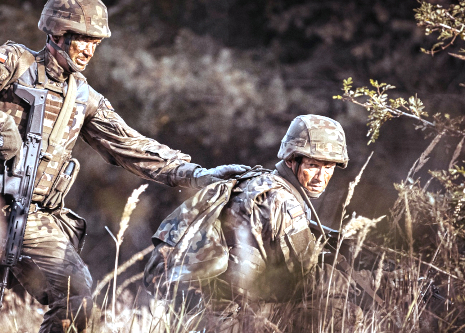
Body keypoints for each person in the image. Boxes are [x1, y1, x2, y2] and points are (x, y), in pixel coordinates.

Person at [0, 0, 247, 333]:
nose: (90, 50)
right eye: (83, 39)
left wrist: (196, 173)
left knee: (77, 297)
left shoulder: (83, 98)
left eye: (96, 42)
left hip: (34, 216)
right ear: (57, 34)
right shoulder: (9, 64)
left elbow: (132, 146)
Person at [144, 114, 348, 313]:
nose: (321, 176)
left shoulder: (254, 181)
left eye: (328, 167)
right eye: (313, 166)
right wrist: (360, 278)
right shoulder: (284, 201)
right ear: (290, 160)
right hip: (232, 322)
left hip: (197, 316)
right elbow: (305, 281)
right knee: (342, 312)